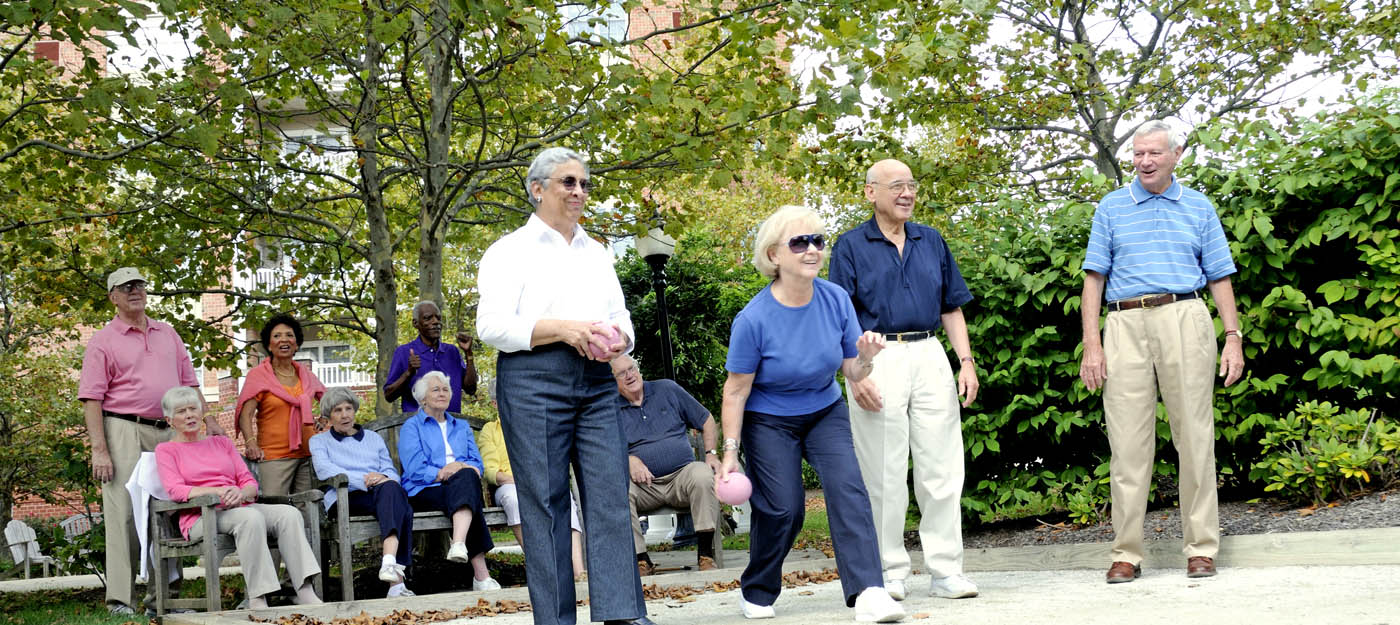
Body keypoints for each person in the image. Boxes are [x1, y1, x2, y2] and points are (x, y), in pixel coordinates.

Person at [477, 146, 652, 625]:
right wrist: (563, 329)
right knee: (547, 502)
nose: (579, 191)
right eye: (568, 182)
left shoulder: (596, 251)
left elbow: (620, 315)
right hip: (533, 378)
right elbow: (491, 326)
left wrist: (620, 338)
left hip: (596, 380)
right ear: (537, 189)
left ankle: (621, 613)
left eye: (584, 183)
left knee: (609, 493)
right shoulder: (507, 251)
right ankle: (555, 619)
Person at [718, 205, 904, 623]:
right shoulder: (753, 319)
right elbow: (736, 390)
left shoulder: (835, 298)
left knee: (848, 489)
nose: (812, 250)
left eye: (818, 241)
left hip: (824, 409)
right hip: (769, 420)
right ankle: (758, 588)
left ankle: (869, 592)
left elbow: (851, 369)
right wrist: (730, 451)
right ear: (773, 256)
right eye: (799, 242)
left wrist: (866, 358)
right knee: (784, 509)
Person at [1080, 120, 1245, 583]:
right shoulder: (1111, 207)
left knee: (1194, 435)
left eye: (1154, 153)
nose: (1145, 162)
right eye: (1137, 154)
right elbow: (1094, 278)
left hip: (1184, 316)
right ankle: (1126, 553)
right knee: (1127, 444)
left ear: (1176, 154)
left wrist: (1233, 337)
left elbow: (1219, 276)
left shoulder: (1198, 206)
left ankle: (1201, 547)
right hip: (1124, 322)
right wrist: (1092, 345)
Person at [827, 159, 980, 601]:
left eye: (911, 185)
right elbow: (842, 317)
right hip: (877, 355)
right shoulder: (850, 245)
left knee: (942, 468)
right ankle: (889, 571)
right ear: (870, 192)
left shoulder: (931, 240)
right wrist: (854, 373)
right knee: (883, 471)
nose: (907, 193)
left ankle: (946, 570)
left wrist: (964, 361)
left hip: (930, 352)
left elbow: (952, 306)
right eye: (896, 186)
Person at [78, 267, 223, 615]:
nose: (135, 291)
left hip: (169, 430)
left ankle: (164, 599)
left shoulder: (167, 333)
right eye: (126, 287)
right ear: (112, 296)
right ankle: (120, 600)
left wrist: (210, 420)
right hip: (123, 429)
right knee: (124, 514)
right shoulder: (103, 340)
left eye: (140, 284)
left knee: (172, 510)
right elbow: (91, 399)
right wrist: (100, 449)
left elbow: (190, 383)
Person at [153, 386, 322, 610]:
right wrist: (217, 492)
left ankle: (303, 590)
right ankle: (259, 597)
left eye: (193, 409)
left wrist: (240, 493)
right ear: (169, 419)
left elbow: (249, 482)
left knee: (288, 514)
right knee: (249, 518)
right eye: (181, 411)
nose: (190, 415)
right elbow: (176, 490)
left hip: (239, 505)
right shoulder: (166, 450)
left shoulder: (221, 443)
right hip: (201, 516)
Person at [609, 354, 721, 575]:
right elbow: (602, 448)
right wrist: (628, 459)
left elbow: (706, 420)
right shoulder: (610, 407)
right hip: (642, 486)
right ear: (612, 380)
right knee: (617, 491)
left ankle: (706, 555)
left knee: (702, 475)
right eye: (622, 373)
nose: (630, 375)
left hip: (681, 477)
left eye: (631, 368)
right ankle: (642, 561)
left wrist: (711, 454)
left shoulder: (667, 390)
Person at [397, 371, 501, 591]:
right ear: (423, 397)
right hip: (424, 490)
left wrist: (460, 468)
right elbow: (415, 469)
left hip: (461, 484)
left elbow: (477, 464)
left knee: (466, 480)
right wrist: (445, 471)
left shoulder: (461, 427)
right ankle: (481, 576)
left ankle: (459, 544)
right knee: (468, 493)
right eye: (436, 389)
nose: (442, 393)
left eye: (446, 389)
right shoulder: (412, 427)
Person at [309, 387, 416, 597]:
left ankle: (389, 563)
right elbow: (324, 470)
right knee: (401, 505)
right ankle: (396, 582)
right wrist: (363, 480)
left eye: (348, 408)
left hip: (380, 492)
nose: (345, 414)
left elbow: (390, 471)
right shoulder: (319, 441)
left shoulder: (372, 438)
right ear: (328, 416)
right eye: (338, 410)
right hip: (345, 497)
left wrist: (383, 478)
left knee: (392, 489)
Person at [479, 378, 588, 581]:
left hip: (541, 480)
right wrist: (521, 482)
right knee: (514, 499)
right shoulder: (490, 431)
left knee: (563, 496)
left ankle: (578, 571)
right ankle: (542, 570)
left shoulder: (535, 424)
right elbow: (491, 471)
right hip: (509, 485)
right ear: (495, 403)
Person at [236, 313, 327, 496]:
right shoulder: (258, 375)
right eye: (277, 336)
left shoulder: (306, 374)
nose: (283, 339)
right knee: (276, 508)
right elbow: (246, 414)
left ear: (296, 343)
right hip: (274, 456)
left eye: (289, 335)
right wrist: (250, 443)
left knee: (307, 511)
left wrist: (323, 420)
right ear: (269, 345)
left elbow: (329, 400)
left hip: (307, 454)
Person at [384, 300, 479, 414]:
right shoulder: (404, 352)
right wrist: (408, 373)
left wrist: (468, 353)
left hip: (451, 426)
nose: (435, 322)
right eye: (428, 318)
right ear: (415, 323)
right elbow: (389, 396)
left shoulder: (452, 351)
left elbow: (471, 389)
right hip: (418, 426)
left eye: (438, 318)